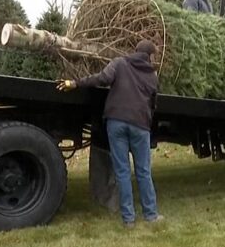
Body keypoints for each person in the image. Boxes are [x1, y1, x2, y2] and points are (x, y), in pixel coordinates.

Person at [57, 40, 162, 227]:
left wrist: (75, 83)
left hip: (117, 122)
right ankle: (151, 215)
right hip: (140, 126)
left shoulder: (120, 63)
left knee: (122, 172)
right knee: (143, 171)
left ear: (135, 51)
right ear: (150, 56)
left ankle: (128, 219)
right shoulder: (153, 75)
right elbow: (153, 104)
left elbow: (100, 79)